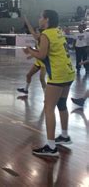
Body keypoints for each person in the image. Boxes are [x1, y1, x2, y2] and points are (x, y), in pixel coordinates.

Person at [23, 10, 75, 157]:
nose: (39, 19)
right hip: (69, 72)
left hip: (58, 75)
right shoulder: (57, 31)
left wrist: (29, 51)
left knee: (48, 108)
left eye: (41, 17)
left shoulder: (46, 34)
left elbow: (41, 55)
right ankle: (64, 136)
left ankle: (51, 146)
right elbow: (37, 38)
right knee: (62, 104)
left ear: (46, 20)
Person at [17, 16, 46, 94]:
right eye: (36, 32)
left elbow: (41, 52)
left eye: (37, 32)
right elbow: (37, 50)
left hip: (44, 63)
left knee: (42, 79)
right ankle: (26, 90)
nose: (35, 33)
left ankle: (46, 95)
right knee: (28, 75)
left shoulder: (43, 40)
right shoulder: (37, 40)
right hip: (38, 62)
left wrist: (30, 51)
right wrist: (27, 21)